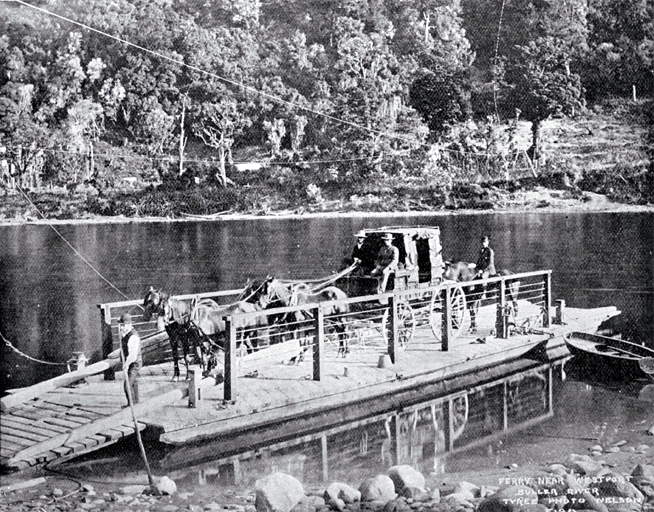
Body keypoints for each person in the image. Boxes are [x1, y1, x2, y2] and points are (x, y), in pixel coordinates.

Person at [118, 312, 142, 406]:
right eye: (120, 325)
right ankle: (135, 402)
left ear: (129, 325)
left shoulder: (133, 337)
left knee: (127, 385)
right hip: (131, 362)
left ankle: (131, 405)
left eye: (123, 325)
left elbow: (133, 355)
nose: (121, 328)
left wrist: (126, 364)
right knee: (133, 382)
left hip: (135, 362)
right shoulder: (126, 333)